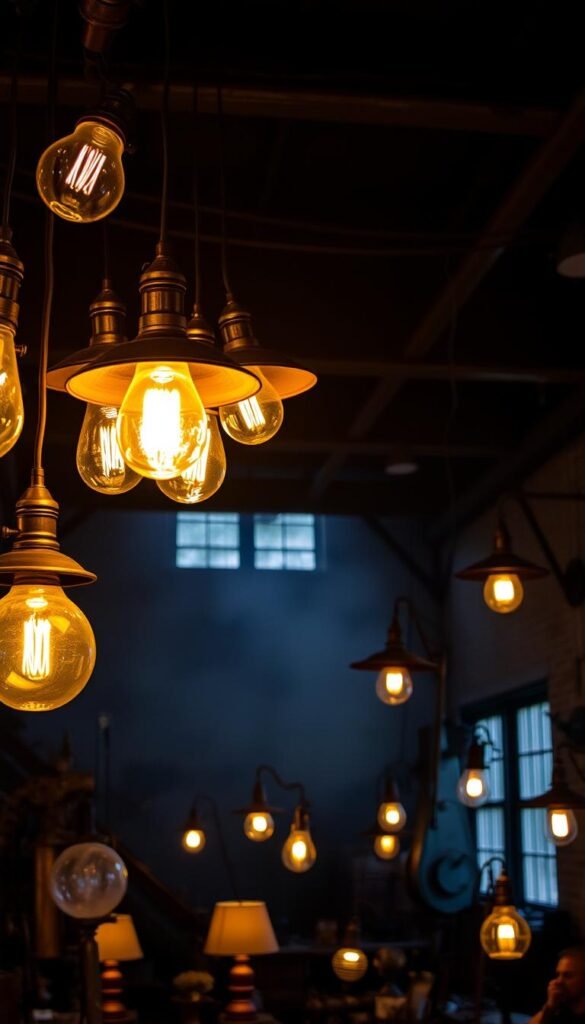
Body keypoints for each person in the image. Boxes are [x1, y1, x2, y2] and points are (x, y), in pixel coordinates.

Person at [530, 949, 585, 1024]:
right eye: (558, 975)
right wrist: (550, 1006)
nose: (558, 981)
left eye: (568, 976)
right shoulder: (559, 1009)